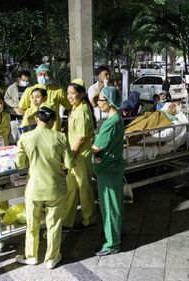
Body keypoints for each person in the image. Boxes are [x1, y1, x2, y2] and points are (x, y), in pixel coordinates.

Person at [15, 107, 73, 269]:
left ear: (36, 120)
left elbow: (20, 164)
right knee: (54, 224)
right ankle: (51, 259)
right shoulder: (60, 137)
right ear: (53, 122)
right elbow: (69, 164)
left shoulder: (25, 138)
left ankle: (31, 257)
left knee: (32, 224)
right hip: (56, 188)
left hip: (34, 189)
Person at [92, 86, 125, 256]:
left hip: (108, 168)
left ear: (110, 102)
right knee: (116, 202)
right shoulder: (115, 118)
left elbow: (97, 147)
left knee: (109, 205)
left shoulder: (111, 123)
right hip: (114, 166)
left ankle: (112, 243)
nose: (98, 103)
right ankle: (117, 232)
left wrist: (83, 146)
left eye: (101, 100)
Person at [63, 79, 97, 232]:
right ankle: (67, 220)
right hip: (74, 155)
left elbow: (82, 137)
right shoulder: (76, 108)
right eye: (68, 93)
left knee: (84, 188)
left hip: (80, 156)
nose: (70, 96)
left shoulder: (82, 110)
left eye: (73, 94)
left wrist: (71, 155)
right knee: (71, 188)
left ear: (81, 94)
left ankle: (89, 219)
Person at [17, 64, 71, 131]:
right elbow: (21, 109)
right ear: (37, 76)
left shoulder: (58, 91)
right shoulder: (30, 90)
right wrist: (32, 118)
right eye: (40, 74)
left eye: (45, 74)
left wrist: (67, 122)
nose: (43, 76)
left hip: (53, 130)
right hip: (35, 129)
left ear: (50, 76)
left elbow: (70, 107)